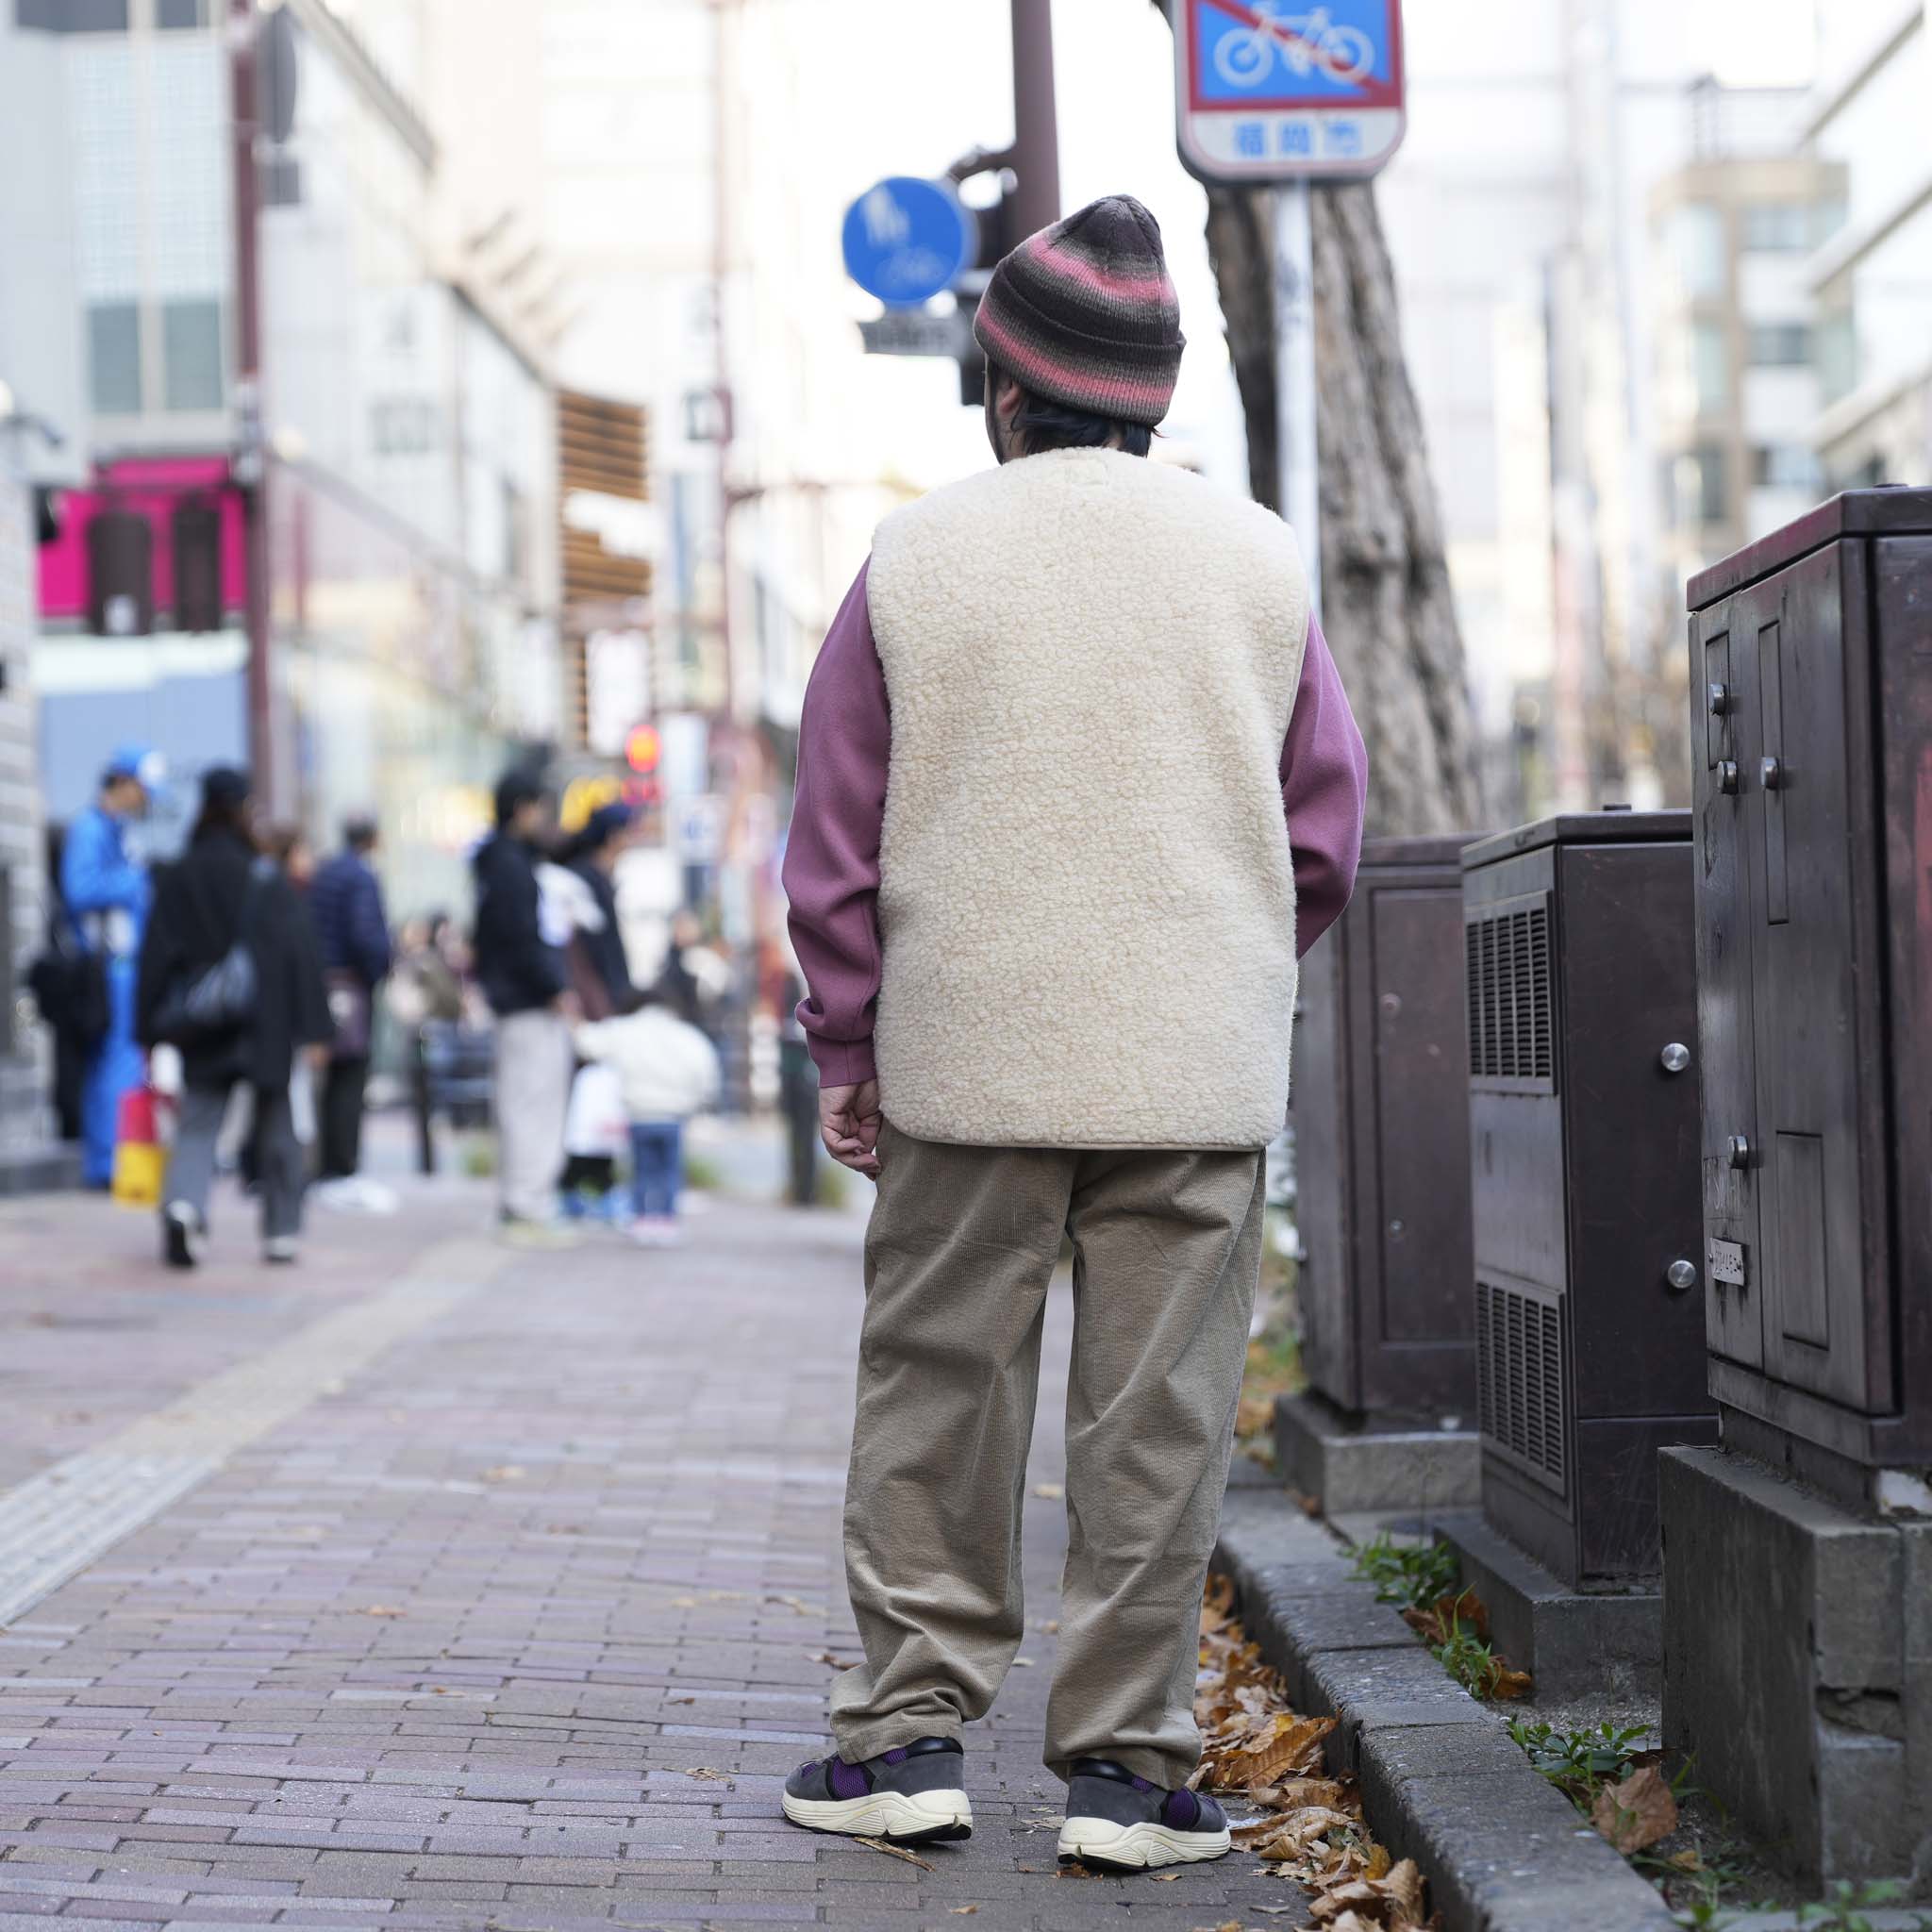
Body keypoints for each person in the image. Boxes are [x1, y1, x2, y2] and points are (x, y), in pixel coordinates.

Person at [778, 196, 1367, 1868]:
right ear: (1152, 400)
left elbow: (835, 832)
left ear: (1003, 389)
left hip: (964, 1058)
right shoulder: (1255, 562)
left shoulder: (917, 556)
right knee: (1158, 1419)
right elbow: (1317, 833)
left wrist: (846, 1041)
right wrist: (1230, 956)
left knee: (936, 1396)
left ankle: (905, 1737)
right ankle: (1126, 1774)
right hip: (1191, 1064)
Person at [135, 766, 332, 1268]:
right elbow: (300, 952)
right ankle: (281, 1230)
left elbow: (155, 954)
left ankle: (184, 1206)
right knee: (276, 1124)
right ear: (244, 809)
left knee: (198, 1123)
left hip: (204, 1020)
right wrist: (314, 1027)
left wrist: (147, 1027)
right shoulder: (264, 874)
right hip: (267, 1020)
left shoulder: (179, 873)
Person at [473, 770, 576, 1244]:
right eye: (540, 807)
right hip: (528, 1001)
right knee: (533, 1104)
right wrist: (555, 986)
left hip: (511, 1000)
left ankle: (522, 1204)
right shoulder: (511, 866)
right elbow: (523, 938)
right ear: (522, 808)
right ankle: (527, 1207)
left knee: (521, 1102)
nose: (545, 818)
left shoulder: (495, 862)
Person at [62, 744, 162, 1188]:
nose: (145, 801)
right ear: (122, 783)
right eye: (142, 790)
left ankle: (116, 1159)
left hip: (124, 964)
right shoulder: (90, 830)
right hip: (106, 966)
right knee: (113, 1062)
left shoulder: (119, 831)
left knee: (123, 1061)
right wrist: (133, 880)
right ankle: (106, 1163)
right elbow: (78, 890)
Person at [574, 988, 720, 1246]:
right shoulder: (686, 1035)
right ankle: (667, 1219)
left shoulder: (624, 1029)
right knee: (670, 1171)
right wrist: (695, 1102)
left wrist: (571, 1015)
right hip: (673, 1115)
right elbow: (706, 1072)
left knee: (642, 1171)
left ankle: (642, 1217)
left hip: (639, 1114)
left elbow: (587, 1042)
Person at [308, 815, 393, 1191]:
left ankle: (328, 1162)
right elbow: (365, 934)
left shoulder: (327, 871)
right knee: (350, 1074)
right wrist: (378, 969)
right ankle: (342, 1165)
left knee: (331, 1076)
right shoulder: (360, 876)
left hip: (325, 980)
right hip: (350, 984)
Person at [557, 803, 636, 1016]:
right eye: (628, 832)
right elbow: (593, 949)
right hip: (593, 1000)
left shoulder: (601, 878)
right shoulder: (583, 880)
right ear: (613, 836)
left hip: (607, 996)